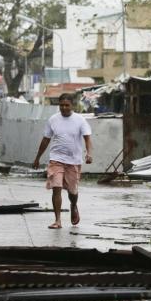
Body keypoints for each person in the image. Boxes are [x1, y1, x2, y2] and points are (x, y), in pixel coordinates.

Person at [33, 93, 93, 229]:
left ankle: (73, 205)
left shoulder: (80, 120)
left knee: (72, 192)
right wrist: (37, 158)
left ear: (72, 105)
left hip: (73, 161)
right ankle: (58, 220)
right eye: (61, 105)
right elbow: (46, 139)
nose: (64, 108)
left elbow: (87, 139)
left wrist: (89, 154)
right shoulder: (53, 120)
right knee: (56, 188)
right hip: (56, 159)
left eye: (67, 105)